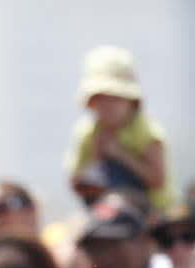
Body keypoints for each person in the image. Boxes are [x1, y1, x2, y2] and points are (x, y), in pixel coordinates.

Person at [64, 45, 175, 211]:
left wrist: (120, 155)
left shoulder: (145, 131)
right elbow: (75, 183)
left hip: (153, 210)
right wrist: (97, 159)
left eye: (115, 98)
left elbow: (158, 181)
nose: (108, 106)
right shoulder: (87, 133)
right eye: (101, 99)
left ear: (131, 101)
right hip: (106, 211)